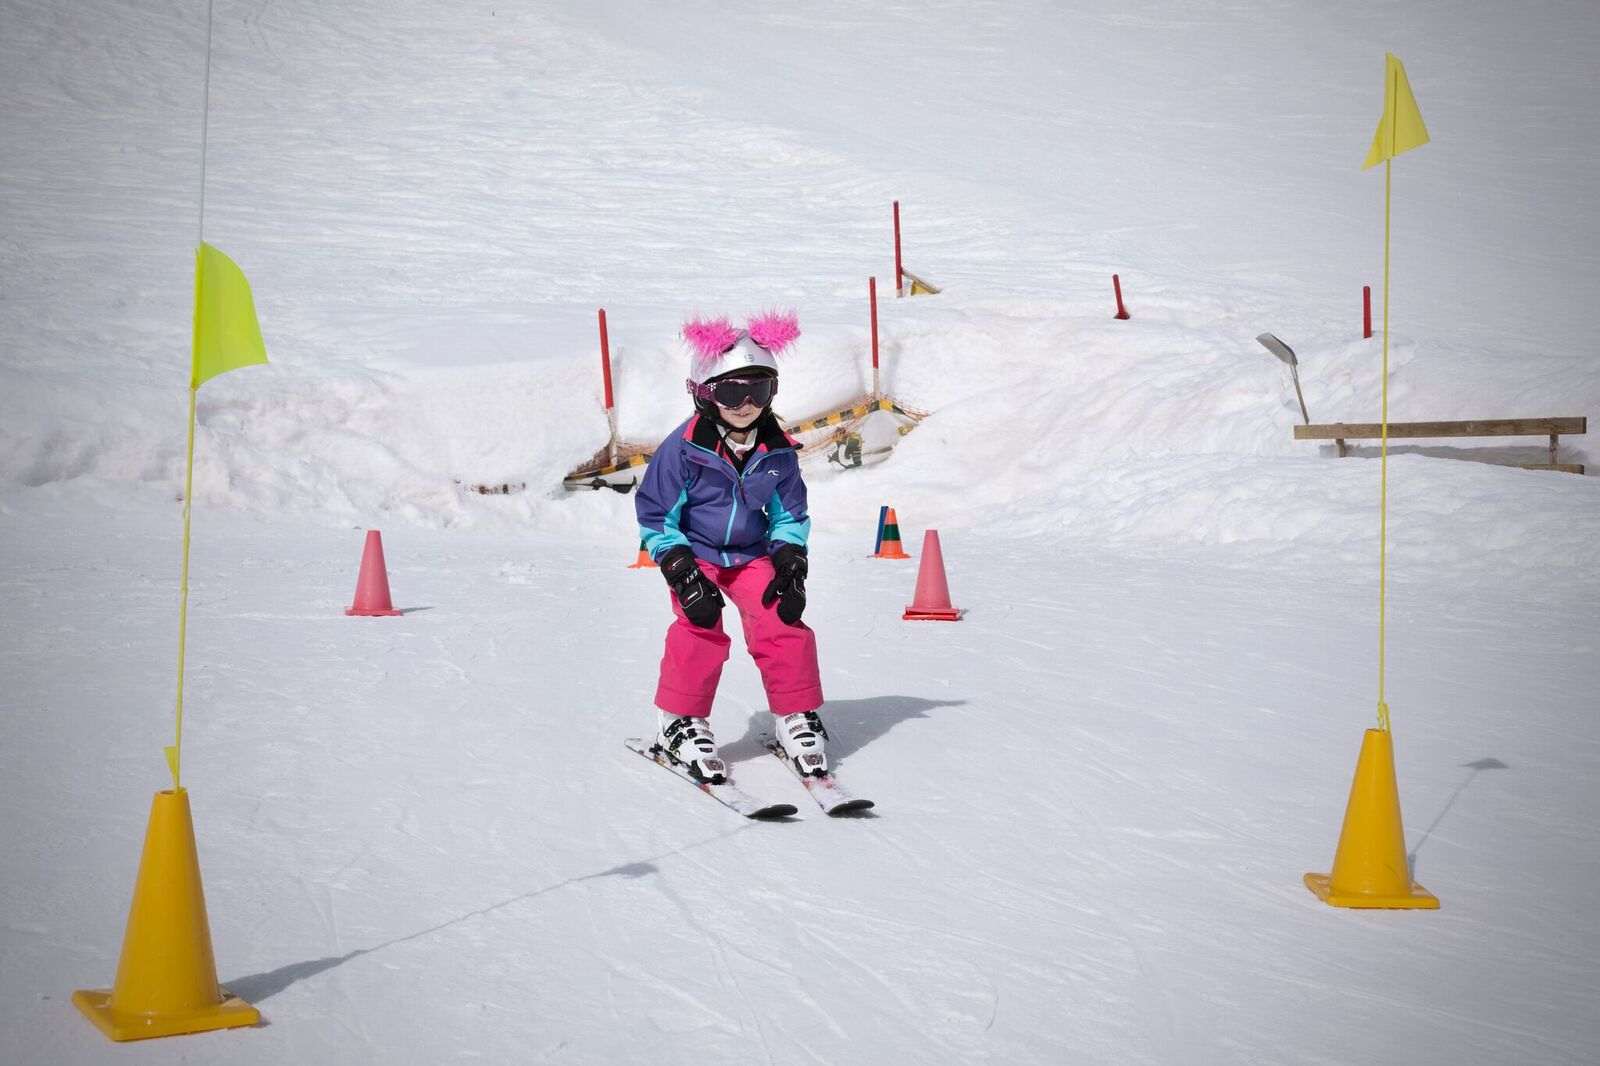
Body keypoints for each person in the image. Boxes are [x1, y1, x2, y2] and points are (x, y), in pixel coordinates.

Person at [635, 312, 829, 784]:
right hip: (695, 552)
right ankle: (679, 721)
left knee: (782, 617)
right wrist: (681, 568)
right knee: (700, 623)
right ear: (705, 393)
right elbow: (657, 515)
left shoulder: (776, 449)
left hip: (749, 553)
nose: (745, 404)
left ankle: (795, 714)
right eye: (730, 392)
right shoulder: (683, 449)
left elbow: (789, 513)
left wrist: (790, 558)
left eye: (758, 391)